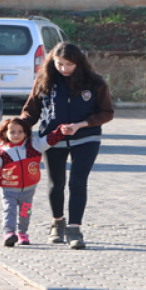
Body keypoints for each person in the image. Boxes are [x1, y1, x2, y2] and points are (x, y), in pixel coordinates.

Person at [21, 42, 114, 250]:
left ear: (78, 63)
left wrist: (82, 124)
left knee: (78, 182)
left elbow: (107, 112)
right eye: (59, 64)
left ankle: (74, 229)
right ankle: (57, 223)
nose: (64, 69)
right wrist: (18, 129)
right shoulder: (44, 81)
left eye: (69, 64)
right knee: (56, 184)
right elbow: (30, 112)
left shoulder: (95, 82)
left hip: (86, 138)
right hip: (52, 139)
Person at [0, 117, 65, 247]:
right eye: (12, 132)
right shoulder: (1, 152)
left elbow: (49, 140)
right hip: (9, 189)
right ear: (4, 133)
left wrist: (61, 131)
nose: (16, 135)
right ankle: (9, 234)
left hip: (29, 190)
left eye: (20, 131)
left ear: (26, 133)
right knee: (9, 210)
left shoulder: (33, 146)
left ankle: (22, 233)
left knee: (25, 212)